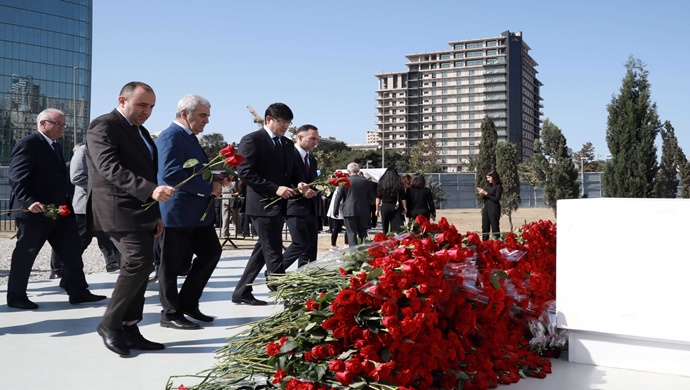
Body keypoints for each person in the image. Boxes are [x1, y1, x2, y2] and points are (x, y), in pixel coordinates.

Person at [86, 81, 175, 356]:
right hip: (116, 208)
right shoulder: (104, 126)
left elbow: (149, 172)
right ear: (122, 100)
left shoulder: (142, 132)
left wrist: (156, 213)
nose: (147, 111)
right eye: (141, 105)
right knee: (138, 262)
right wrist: (150, 191)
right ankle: (109, 324)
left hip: (143, 210)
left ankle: (130, 326)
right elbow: (109, 168)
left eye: (151, 107)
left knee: (143, 264)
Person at [6, 108, 106, 310]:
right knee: (26, 254)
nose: (63, 128)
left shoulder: (54, 146)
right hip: (35, 213)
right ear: (43, 124)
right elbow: (16, 176)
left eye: (64, 124)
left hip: (60, 212)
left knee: (72, 251)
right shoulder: (29, 143)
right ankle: (16, 296)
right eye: (58, 124)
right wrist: (28, 201)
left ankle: (78, 291)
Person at [156, 94, 223, 330]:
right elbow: (171, 174)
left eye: (207, 116)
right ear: (185, 113)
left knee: (211, 252)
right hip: (177, 212)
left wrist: (214, 177)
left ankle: (188, 303)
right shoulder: (170, 137)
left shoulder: (190, 138)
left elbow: (191, 170)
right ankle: (170, 313)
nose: (206, 121)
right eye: (202, 116)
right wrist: (208, 187)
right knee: (170, 265)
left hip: (195, 213)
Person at [232, 103, 310, 305]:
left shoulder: (286, 144)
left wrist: (299, 183)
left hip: (279, 204)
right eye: (282, 122)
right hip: (261, 205)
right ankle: (282, 292)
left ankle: (241, 291)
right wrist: (275, 188)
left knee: (262, 250)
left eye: (288, 123)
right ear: (268, 120)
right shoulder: (252, 140)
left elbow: (291, 172)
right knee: (273, 249)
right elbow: (245, 172)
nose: (285, 126)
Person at [51, 143, 121, 275]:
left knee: (111, 238)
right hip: (85, 207)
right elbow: (77, 177)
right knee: (78, 242)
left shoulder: (107, 150)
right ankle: (60, 270)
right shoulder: (83, 151)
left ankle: (115, 264)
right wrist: (103, 186)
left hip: (104, 206)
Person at [282, 124, 320, 269]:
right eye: (312, 138)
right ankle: (274, 272)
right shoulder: (289, 155)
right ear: (300, 137)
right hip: (294, 206)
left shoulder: (312, 160)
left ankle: (305, 280)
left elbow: (312, 182)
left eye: (317, 139)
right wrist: (298, 189)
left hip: (311, 209)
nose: (315, 142)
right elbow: (283, 180)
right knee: (300, 243)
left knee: (310, 248)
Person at [333, 162, 376, 246]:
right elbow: (372, 197)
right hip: (363, 210)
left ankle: (353, 253)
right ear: (359, 170)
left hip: (349, 210)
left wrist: (335, 210)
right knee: (363, 232)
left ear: (348, 171)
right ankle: (363, 250)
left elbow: (338, 197)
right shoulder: (366, 182)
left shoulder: (345, 182)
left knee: (351, 233)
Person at [375, 167, 407, 234]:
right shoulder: (398, 183)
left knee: (385, 226)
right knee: (398, 227)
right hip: (395, 206)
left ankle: (385, 239)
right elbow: (403, 197)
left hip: (384, 206)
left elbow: (378, 198)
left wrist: (377, 209)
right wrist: (405, 208)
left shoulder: (381, 183)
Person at [477, 169, 503, 241]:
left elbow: (496, 199)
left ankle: (497, 242)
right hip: (486, 208)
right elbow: (487, 198)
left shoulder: (499, 187)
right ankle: (484, 243)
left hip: (494, 209)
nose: (487, 179)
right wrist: (482, 194)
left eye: (489, 177)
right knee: (485, 226)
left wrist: (485, 193)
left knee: (495, 226)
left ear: (494, 177)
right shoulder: (490, 187)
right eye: (487, 178)